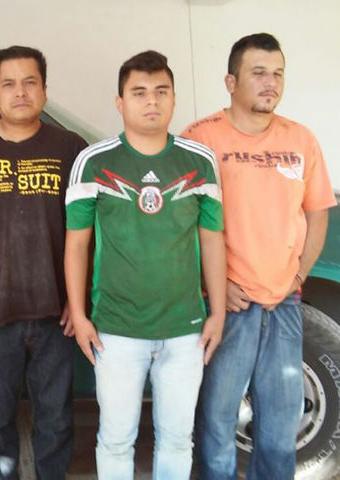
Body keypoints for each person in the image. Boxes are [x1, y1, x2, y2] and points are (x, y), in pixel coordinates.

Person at [64, 50, 226, 479]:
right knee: (116, 439)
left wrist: (218, 312)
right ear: (119, 102)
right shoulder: (94, 162)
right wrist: (79, 315)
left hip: (185, 329)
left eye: (161, 91)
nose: (151, 101)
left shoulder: (199, 161)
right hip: (116, 330)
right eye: (139, 92)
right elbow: (76, 244)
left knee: (177, 439)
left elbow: (212, 239)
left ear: (174, 98)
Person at [182, 32, 337, 480]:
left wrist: (299, 275)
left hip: (284, 303)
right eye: (259, 73)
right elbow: (181, 222)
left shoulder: (300, 139)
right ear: (231, 82)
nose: (271, 83)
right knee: (217, 420)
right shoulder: (200, 139)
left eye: (278, 74)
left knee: (281, 424)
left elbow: (317, 213)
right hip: (228, 306)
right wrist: (213, 284)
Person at [0, 45, 87, 479]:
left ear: (45, 90)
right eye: (8, 84)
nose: (21, 92)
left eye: (31, 82)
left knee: (56, 420)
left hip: (55, 313)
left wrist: (79, 301)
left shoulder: (70, 148)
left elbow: (89, 232)